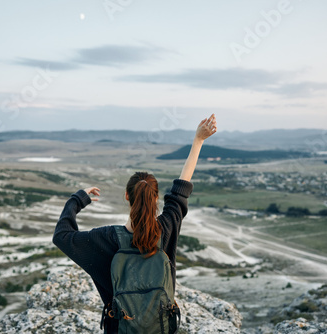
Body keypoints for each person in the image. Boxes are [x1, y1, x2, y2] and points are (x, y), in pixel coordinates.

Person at [52, 114, 217, 333]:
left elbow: (61, 236)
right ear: (156, 198)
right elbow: (181, 188)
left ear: (127, 197)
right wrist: (198, 140)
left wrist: (77, 200)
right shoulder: (166, 227)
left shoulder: (105, 239)